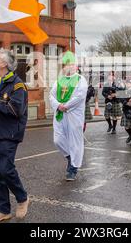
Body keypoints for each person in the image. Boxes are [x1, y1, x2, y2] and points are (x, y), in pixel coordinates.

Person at [0, 48, 29, 223]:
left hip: (9, 135)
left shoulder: (17, 85)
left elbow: (16, 110)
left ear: (4, 64)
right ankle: (3, 210)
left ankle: (22, 198)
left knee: (5, 169)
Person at [49, 51, 88, 181]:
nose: (68, 67)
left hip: (73, 115)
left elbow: (80, 96)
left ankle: (73, 168)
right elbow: (51, 95)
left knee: (74, 141)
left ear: (75, 66)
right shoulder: (59, 80)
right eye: (65, 64)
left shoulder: (80, 79)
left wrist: (67, 106)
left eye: (70, 64)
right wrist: (59, 105)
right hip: (60, 114)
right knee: (58, 140)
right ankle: (70, 157)